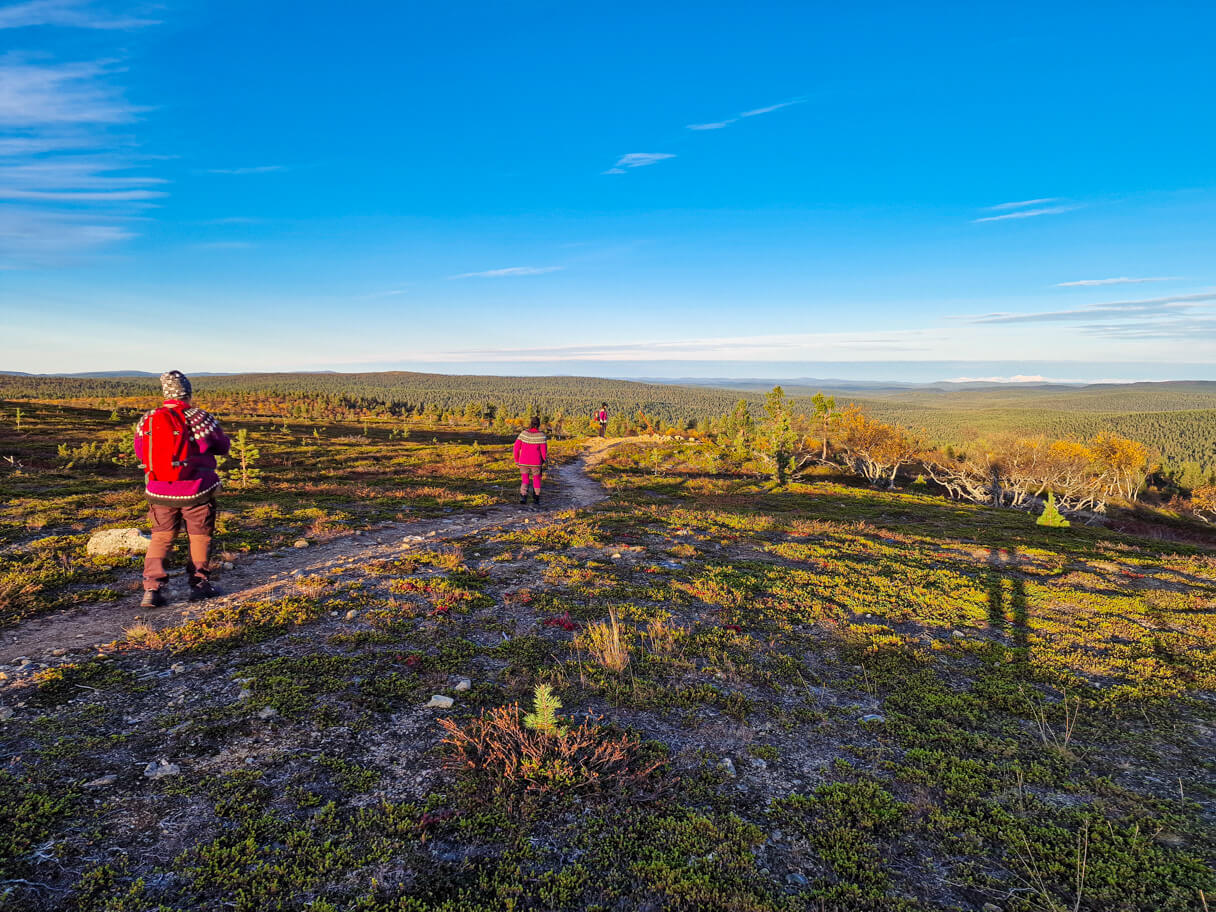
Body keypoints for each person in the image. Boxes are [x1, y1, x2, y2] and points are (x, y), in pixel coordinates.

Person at [133, 370, 230, 607]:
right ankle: (199, 584)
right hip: (196, 490)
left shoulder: (148, 419)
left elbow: (140, 451)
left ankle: (152, 589)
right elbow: (222, 446)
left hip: (159, 490)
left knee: (161, 537)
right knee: (199, 536)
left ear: (165, 393)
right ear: (187, 392)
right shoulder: (200, 418)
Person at [513, 416, 548, 506]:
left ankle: (523, 498)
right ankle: (536, 499)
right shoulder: (541, 435)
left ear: (530, 423)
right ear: (539, 424)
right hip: (536, 463)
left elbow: (516, 448)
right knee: (536, 479)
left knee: (525, 479)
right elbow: (544, 452)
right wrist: (543, 461)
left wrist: (517, 461)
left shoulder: (523, 434)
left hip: (523, 462)